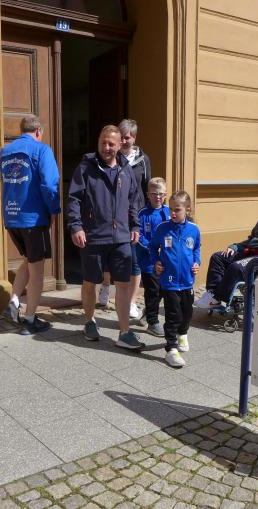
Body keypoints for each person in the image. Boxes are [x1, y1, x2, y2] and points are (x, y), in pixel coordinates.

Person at [66, 125, 144, 350]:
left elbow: (133, 199)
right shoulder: (86, 167)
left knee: (123, 284)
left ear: (119, 145)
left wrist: (135, 225)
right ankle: (90, 321)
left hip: (121, 237)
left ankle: (125, 332)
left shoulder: (126, 169)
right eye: (103, 143)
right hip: (93, 236)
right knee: (90, 282)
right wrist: (76, 227)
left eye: (111, 144)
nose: (106, 147)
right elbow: (73, 199)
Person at [0, 115, 61, 335]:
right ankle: (30, 319)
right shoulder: (42, 150)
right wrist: (54, 210)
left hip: (12, 217)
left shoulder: (5, 151)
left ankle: (14, 301)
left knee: (29, 259)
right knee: (37, 272)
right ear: (38, 132)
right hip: (33, 218)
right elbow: (50, 184)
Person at [97, 118, 151, 323]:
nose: (125, 140)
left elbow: (146, 187)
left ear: (134, 138)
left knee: (134, 261)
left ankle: (132, 301)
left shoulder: (143, 160)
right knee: (109, 255)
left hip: (135, 217)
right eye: (122, 137)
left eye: (128, 137)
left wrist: (143, 216)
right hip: (114, 216)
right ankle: (105, 285)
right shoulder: (112, 157)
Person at [149, 190, 201, 368]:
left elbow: (196, 249)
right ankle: (171, 349)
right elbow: (152, 248)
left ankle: (182, 333)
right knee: (173, 315)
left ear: (188, 209)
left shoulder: (194, 229)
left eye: (177, 209)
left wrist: (197, 263)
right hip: (169, 281)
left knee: (187, 313)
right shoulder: (162, 228)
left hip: (187, 281)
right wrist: (156, 262)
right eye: (171, 208)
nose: (172, 212)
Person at [136, 177, 170, 337]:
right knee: (153, 291)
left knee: (163, 289)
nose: (158, 197)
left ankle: (148, 311)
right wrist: (154, 249)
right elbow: (140, 236)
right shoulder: (142, 214)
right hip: (149, 261)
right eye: (154, 194)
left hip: (166, 261)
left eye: (161, 194)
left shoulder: (168, 212)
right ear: (148, 194)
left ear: (165, 194)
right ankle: (153, 322)